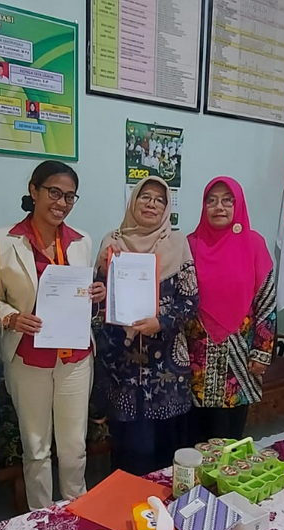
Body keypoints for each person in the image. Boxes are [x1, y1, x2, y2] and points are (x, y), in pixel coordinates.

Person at [0, 162, 106, 509]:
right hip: (29, 357)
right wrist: (11, 317)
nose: (61, 203)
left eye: (69, 196)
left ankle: (76, 510)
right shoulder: (2, 241)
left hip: (75, 357)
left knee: (74, 446)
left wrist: (95, 295)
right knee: (36, 447)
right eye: (54, 192)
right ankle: (40, 516)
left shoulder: (81, 241)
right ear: (34, 191)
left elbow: (81, 297)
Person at [94, 177, 199, 475]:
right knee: (128, 451)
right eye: (145, 197)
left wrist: (160, 322)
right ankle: (128, 501)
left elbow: (190, 301)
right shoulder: (111, 242)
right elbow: (96, 299)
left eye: (160, 200)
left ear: (167, 208)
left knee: (166, 451)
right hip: (122, 368)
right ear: (133, 201)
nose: (152, 204)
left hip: (165, 368)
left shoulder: (177, 244)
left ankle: (164, 503)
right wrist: (101, 283)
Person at [186, 177, 275, 441]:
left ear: (238, 206)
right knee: (193, 435)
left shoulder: (254, 244)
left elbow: (267, 299)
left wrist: (262, 351)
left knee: (228, 437)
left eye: (227, 200)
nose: (219, 207)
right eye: (211, 200)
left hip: (239, 354)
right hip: (196, 355)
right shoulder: (190, 244)